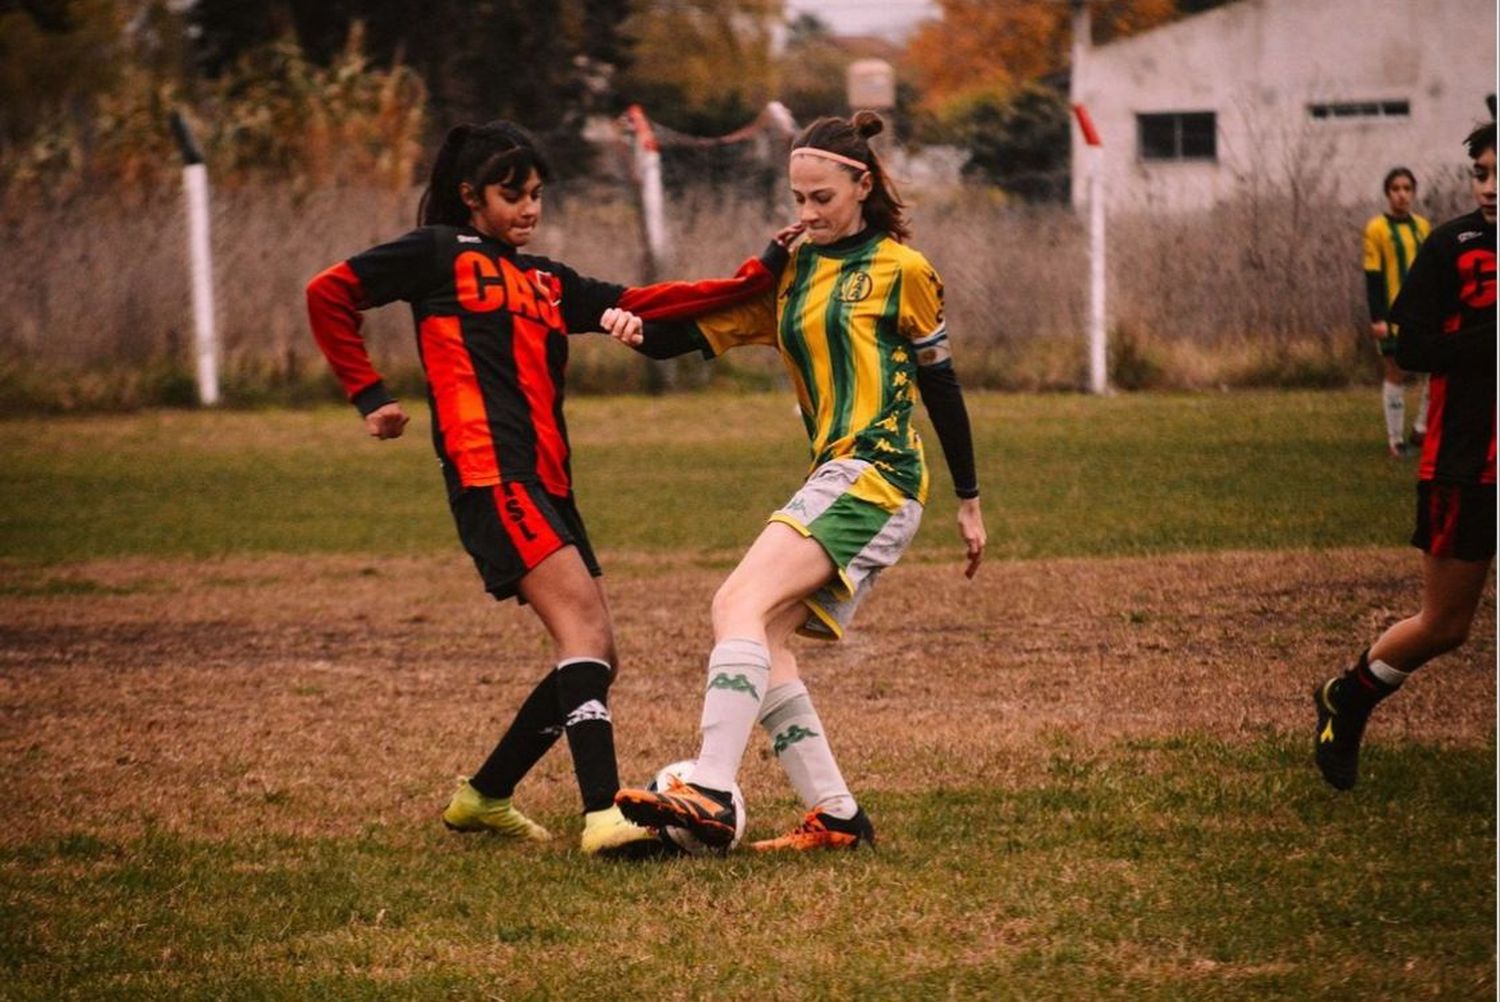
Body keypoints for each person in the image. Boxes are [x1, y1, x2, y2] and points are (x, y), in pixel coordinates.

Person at [305, 120, 779, 854]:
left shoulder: (548, 280)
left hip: (547, 484)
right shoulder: (437, 253)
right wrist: (369, 394)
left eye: (537, 195)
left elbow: (650, 303)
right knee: (584, 638)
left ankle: (485, 796)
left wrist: (758, 279)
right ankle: (603, 816)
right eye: (512, 194)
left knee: (596, 657)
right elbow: (329, 293)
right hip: (491, 473)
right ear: (470, 196)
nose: (529, 207)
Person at [606, 111, 987, 851]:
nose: (807, 214)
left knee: (735, 601)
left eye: (822, 198)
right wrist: (628, 329)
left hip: (878, 474)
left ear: (862, 185)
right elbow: (687, 334)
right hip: (837, 475)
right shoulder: (795, 271)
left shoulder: (903, 271)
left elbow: (943, 387)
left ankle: (711, 788)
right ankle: (838, 817)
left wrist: (969, 500)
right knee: (768, 635)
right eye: (797, 199)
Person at [1315, 121, 1496, 790]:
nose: (1489, 187)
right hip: (1466, 461)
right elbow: (1408, 347)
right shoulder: (1451, 245)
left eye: (1498, 172)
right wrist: (1488, 343)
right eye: (1481, 172)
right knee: (1446, 625)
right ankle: (1350, 696)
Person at [1362, 167, 1432, 457]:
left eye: (1407, 188)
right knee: (1396, 371)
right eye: (1396, 189)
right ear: (1388, 193)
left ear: (1414, 192)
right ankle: (1395, 441)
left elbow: (1430, 272)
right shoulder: (1376, 228)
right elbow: (1373, 276)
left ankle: (1421, 428)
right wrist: (1378, 318)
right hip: (1392, 316)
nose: (1402, 194)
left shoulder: (1422, 227)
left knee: (1436, 368)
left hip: (1422, 313)